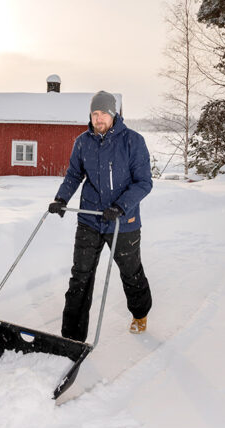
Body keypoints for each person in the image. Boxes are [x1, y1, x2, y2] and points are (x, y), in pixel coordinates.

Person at [48, 90, 154, 342]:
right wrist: (61, 198)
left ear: (113, 114)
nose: (98, 119)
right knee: (80, 277)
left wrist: (120, 206)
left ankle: (140, 313)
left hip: (123, 221)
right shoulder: (83, 142)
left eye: (103, 113)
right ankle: (71, 337)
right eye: (94, 114)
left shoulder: (133, 141)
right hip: (90, 219)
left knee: (130, 272)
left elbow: (144, 183)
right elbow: (74, 175)